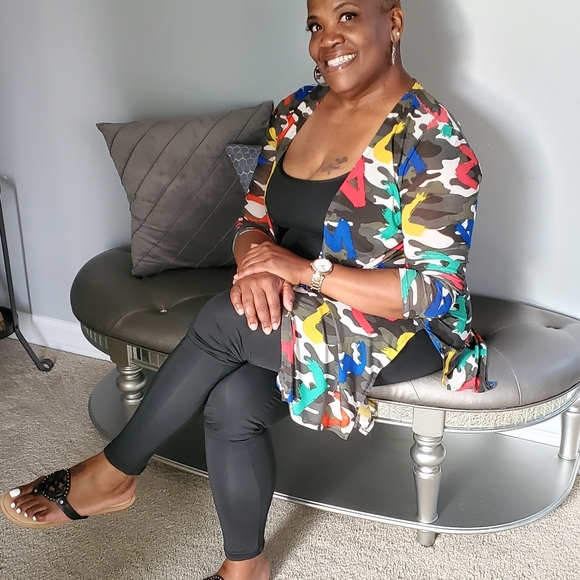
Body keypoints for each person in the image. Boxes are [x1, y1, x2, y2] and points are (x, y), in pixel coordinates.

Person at [1, 1, 492, 579]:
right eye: (316, 25)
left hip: (399, 327)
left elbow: (432, 292)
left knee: (223, 319)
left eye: (348, 16)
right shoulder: (298, 110)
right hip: (301, 301)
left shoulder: (432, 138)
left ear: (395, 22)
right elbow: (252, 220)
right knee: (231, 403)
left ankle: (114, 472)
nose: (327, 39)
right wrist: (256, 266)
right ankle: (246, 568)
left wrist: (300, 272)